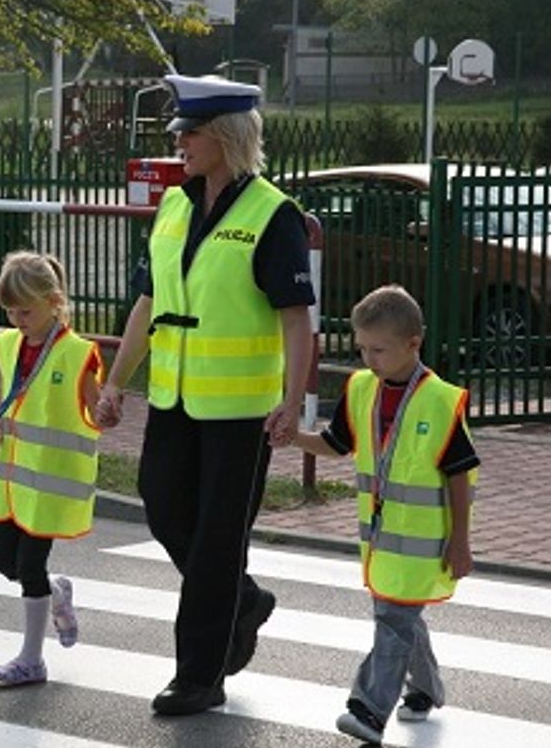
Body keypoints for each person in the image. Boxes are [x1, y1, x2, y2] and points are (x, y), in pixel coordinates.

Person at [95, 73, 315, 715]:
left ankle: (199, 676)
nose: (180, 143)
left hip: (243, 414)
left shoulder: (273, 214)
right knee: (163, 509)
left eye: (189, 133)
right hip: (174, 400)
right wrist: (115, 381)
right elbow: (147, 303)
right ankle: (241, 601)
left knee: (218, 541)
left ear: (225, 135)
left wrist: (292, 400)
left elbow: (297, 319)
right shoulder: (174, 205)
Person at [279, 284, 478, 745]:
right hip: (381, 541)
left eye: (379, 350)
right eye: (362, 348)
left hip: (427, 543)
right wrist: (293, 436)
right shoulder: (361, 388)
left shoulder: (442, 401)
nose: (368, 359)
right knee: (401, 618)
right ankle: (426, 689)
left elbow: (459, 478)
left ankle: (367, 710)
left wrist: (462, 542)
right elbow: (335, 445)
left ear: (414, 344)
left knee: (394, 621)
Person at [0, 251, 103, 686]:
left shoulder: (76, 353)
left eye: (25, 310)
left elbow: (95, 409)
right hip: (13, 477)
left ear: (54, 301)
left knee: (29, 566)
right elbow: (12, 395)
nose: (16, 319)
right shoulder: (8, 344)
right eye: (10, 310)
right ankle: (56, 590)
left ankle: (31, 660)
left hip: (51, 485)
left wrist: (106, 410)